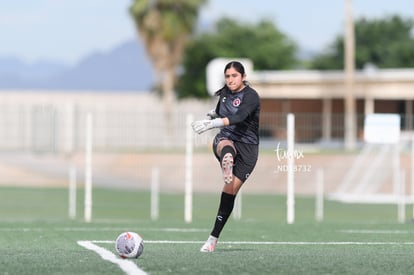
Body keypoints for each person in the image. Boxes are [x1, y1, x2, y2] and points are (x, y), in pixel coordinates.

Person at [191, 61, 260, 252]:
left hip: (248, 149)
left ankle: (213, 237)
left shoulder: (251, 96)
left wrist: (213, 123)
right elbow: (222, 112)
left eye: (234, 76)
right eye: (227, 76)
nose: (230, 80)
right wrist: (213, 115)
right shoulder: (224, 94)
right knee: (224, 144)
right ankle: (227, 160)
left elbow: (240, 116)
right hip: (227, 138)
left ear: (243, 77)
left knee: (229, 192)